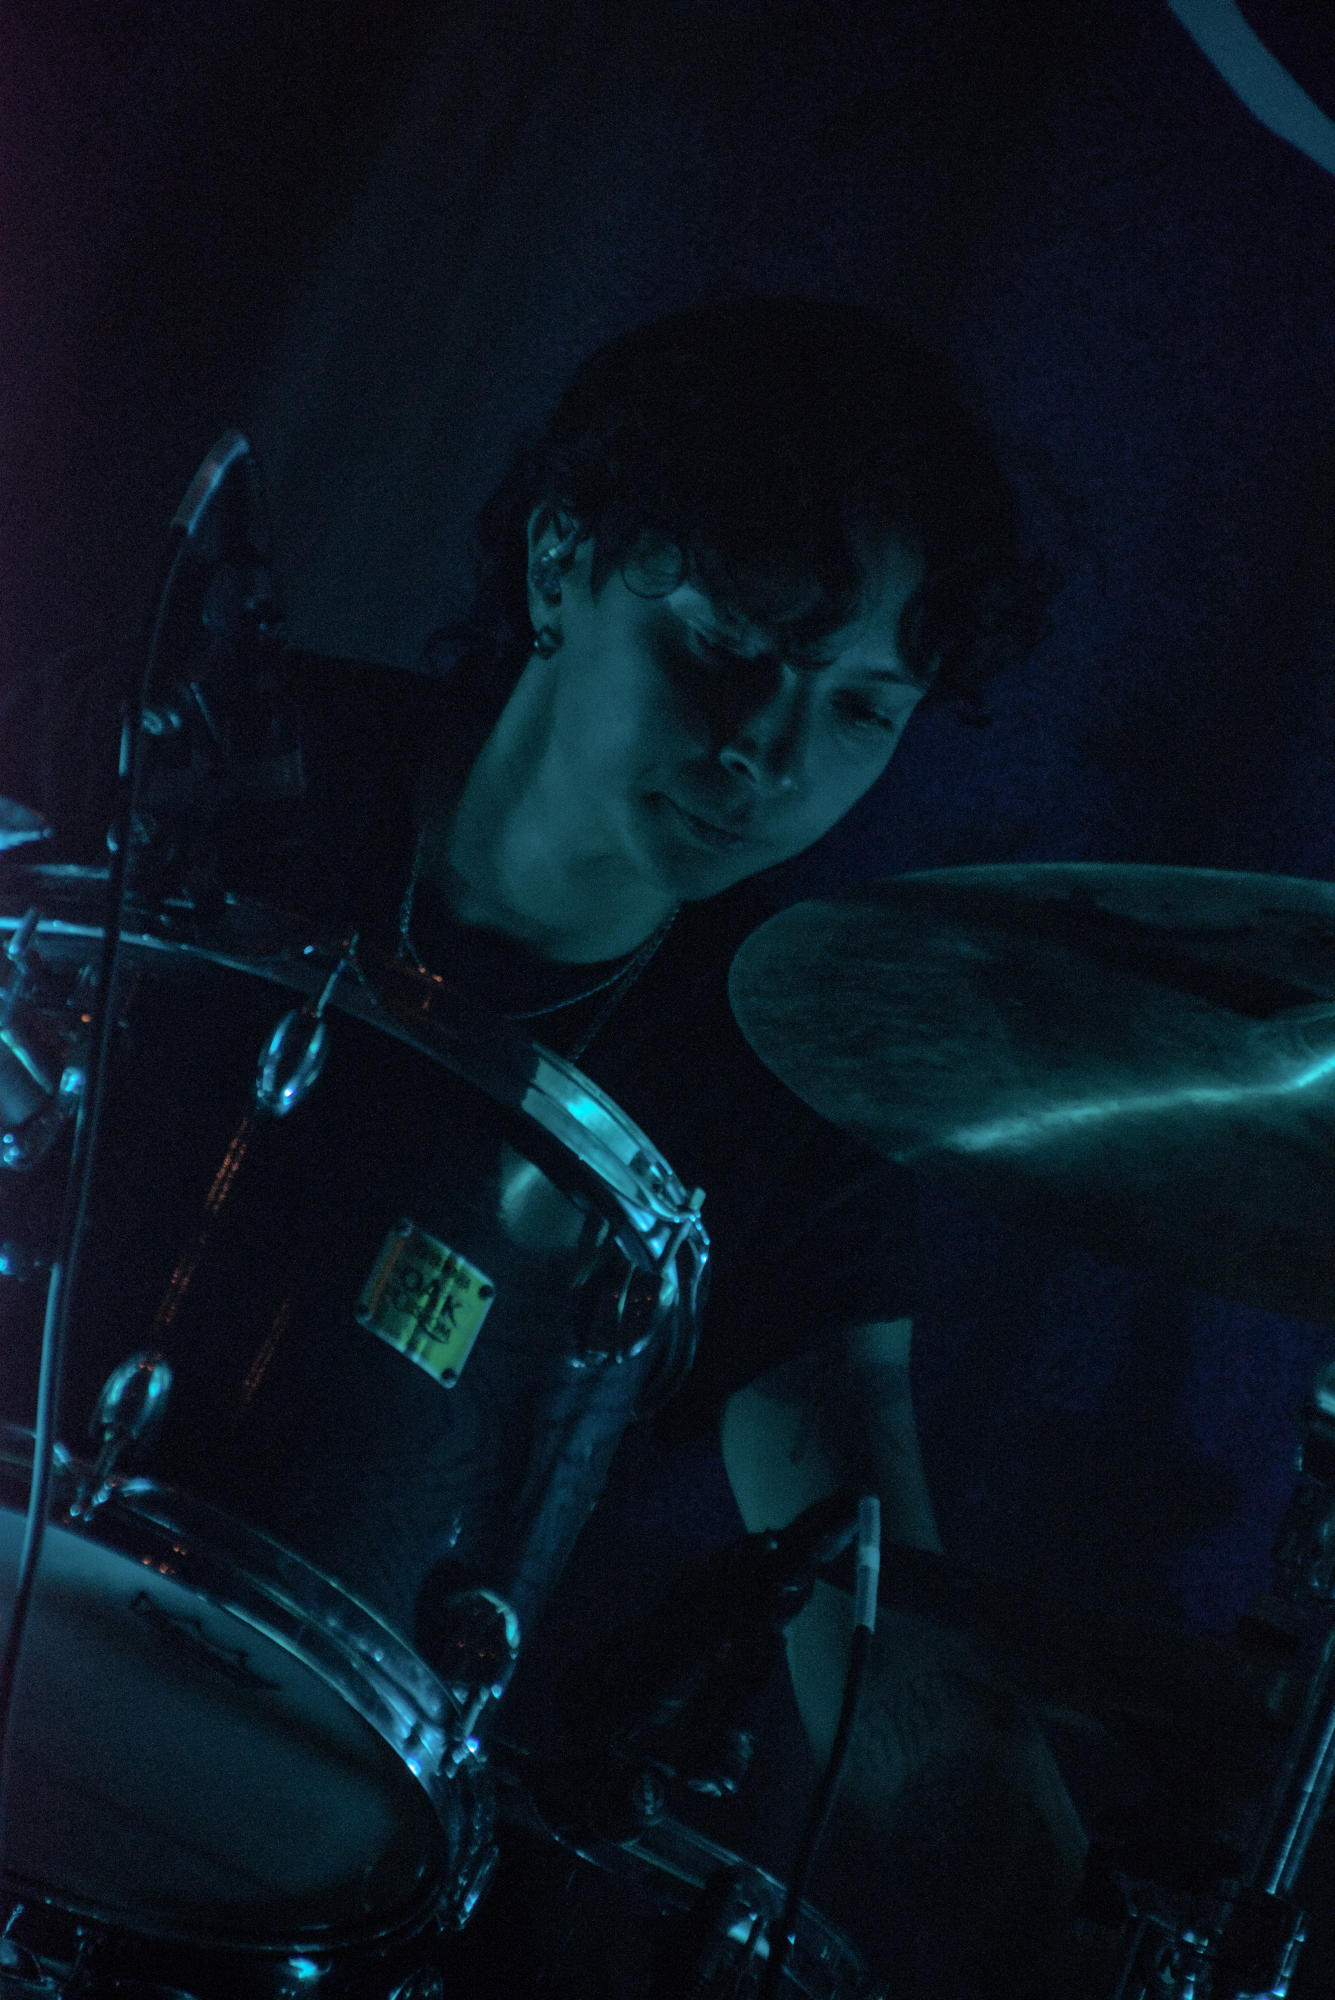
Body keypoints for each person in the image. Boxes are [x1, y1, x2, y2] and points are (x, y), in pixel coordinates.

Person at [0, 297, 1083, 1992]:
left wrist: (1066, 1913)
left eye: (864, 711)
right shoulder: (174, 753)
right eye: (725, 649)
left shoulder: (776, 1097)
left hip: (243, 1855)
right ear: (561, 563)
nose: (769, 756)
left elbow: (877, 1620)